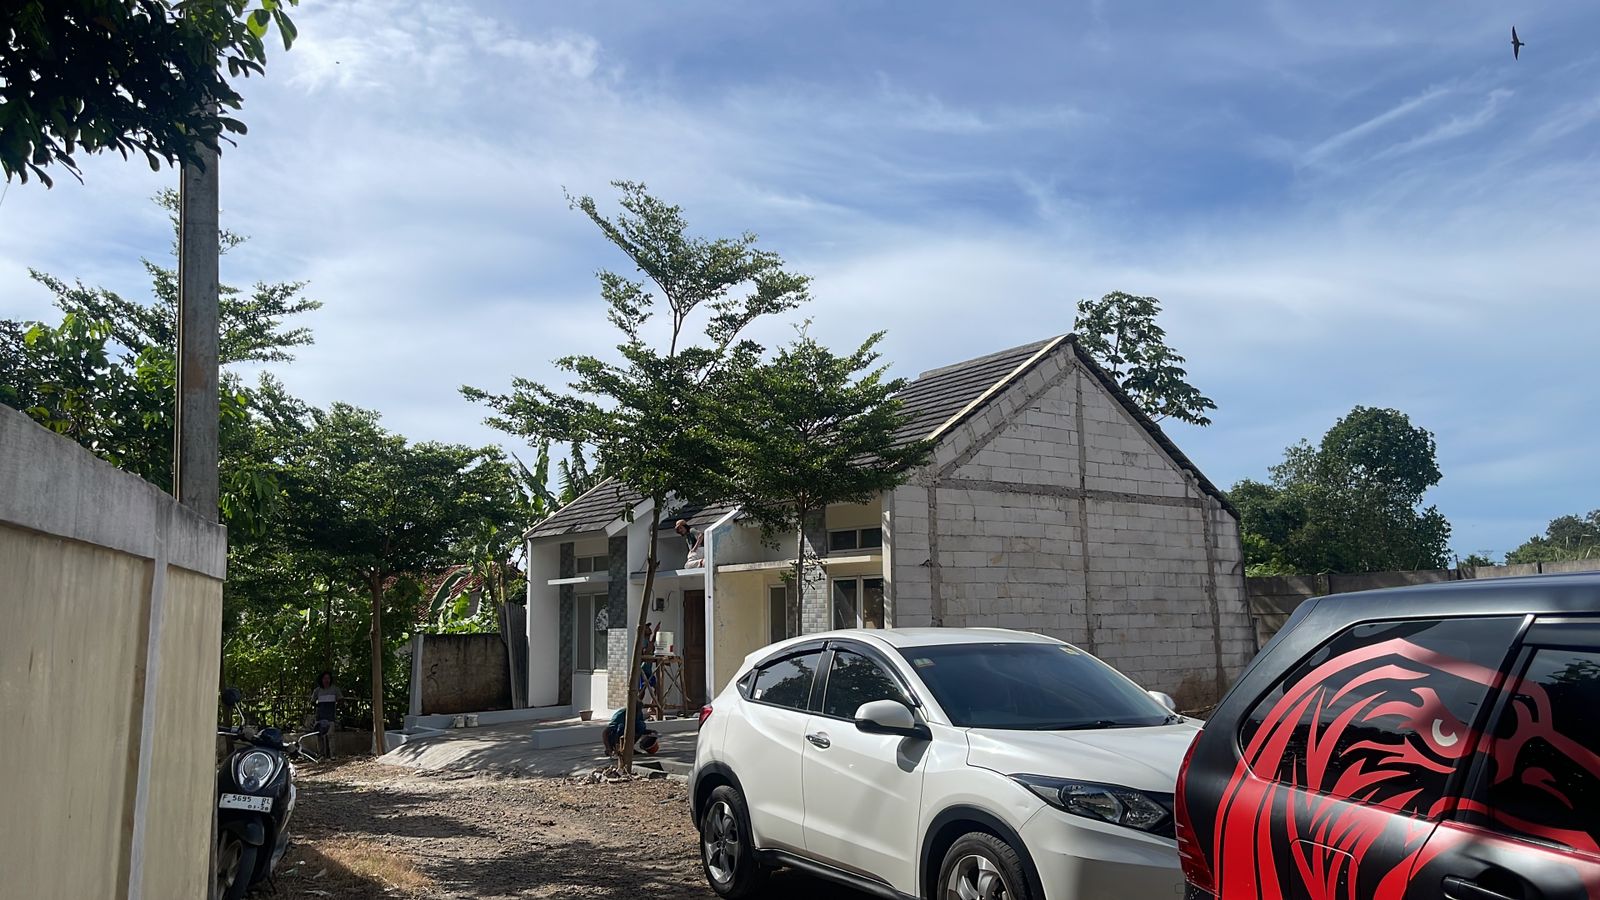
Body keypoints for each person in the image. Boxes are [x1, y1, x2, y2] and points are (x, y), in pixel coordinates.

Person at [310, 671, 341, 760]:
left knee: (331, 735)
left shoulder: (335, 689)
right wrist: (319, 707)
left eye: (328, 678)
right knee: (319, 735)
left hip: (330, 716)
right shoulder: (317, 690)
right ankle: (321, 754)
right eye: (324, 678)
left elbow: (340, 699)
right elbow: (312, 701)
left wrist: (336, 706)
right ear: (321, 680)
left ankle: (332, 754)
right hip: (320, 716)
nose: (326, 680)